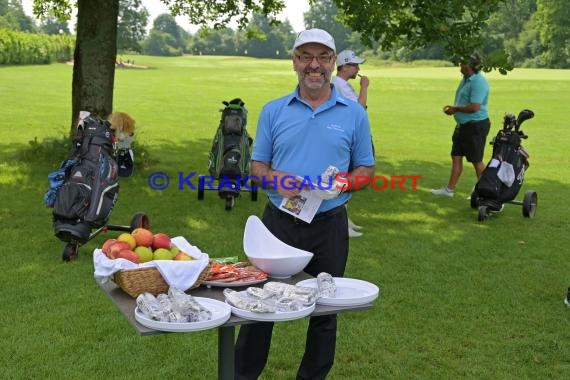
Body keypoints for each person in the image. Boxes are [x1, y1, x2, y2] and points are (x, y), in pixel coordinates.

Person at [234, 29, 375, 380]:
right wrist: (275, 179)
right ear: (295, 61)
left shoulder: (354, 114)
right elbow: (256, 168)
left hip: (329, 224)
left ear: (333, 62)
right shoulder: (273, 111)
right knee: (259, 307)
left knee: (325, 311)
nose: (315, 65)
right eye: (306, 57)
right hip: (278, 225)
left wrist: (345, 181)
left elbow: (365, 169)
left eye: (323, 57)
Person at [431, 53, 490, 197]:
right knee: (456, 156)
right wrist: (454, 111)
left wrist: (455, 109)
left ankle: (485, 193)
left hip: (475, 125)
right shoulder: (466, 79)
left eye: (462, 63)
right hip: (463, 125)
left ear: (470, 66)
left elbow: (475, 107)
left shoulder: (478, 82)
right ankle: (449, 190)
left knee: (476, 160)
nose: (460, 66)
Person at [332, 49, 370, 237]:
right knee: (346, 178)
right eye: (354, 65)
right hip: (348, 137)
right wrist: (364, 87)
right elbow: (360, 108)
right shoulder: (341, 85)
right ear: (345, 66)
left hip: (346, 135)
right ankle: (341, 225)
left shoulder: (341, 84)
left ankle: (345, 219)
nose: (358, 69)